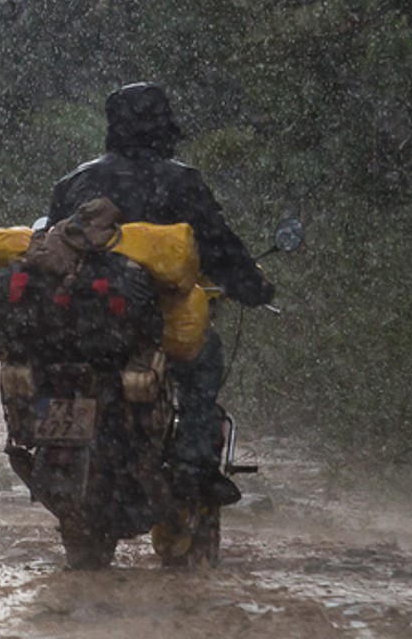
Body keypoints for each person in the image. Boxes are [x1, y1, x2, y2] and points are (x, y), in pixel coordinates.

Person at [46, 82, 274, 505]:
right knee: (204, 361)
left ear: (113, 127)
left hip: (79, 324)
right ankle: (194, 468)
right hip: (152, 323)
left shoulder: (76, 181)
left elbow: (49, 248)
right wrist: (252, 287)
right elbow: (219, 248)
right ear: (163, 128)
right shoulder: (180, 181)